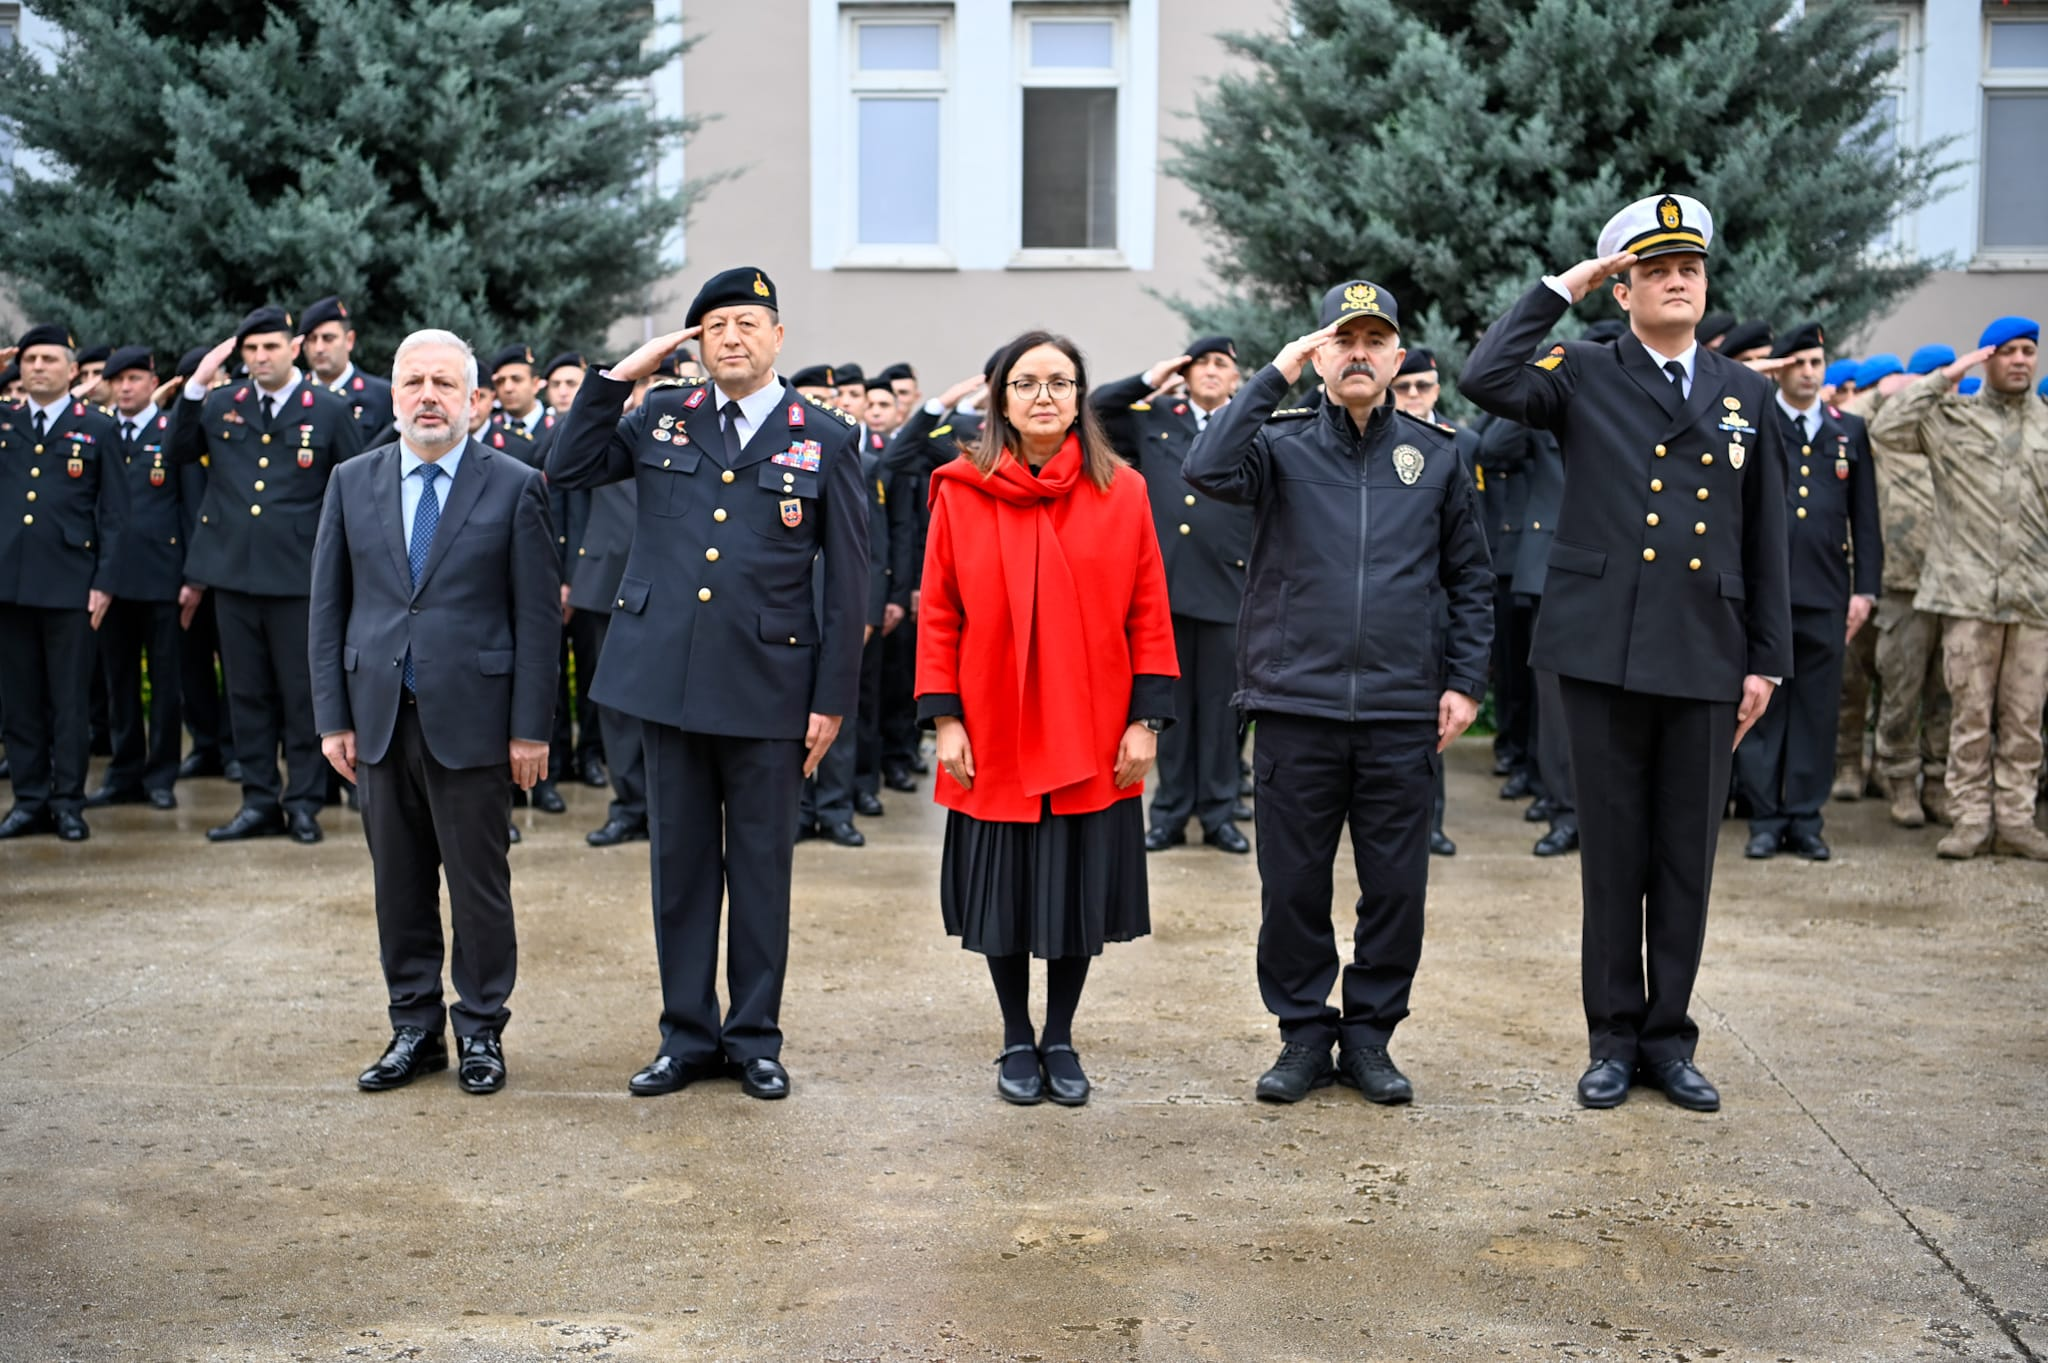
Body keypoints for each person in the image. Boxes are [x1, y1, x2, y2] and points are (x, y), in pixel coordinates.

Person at [1461, 194, 1792, 1113]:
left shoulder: (1747, 393)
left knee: (1686, 855)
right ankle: (1611, 1039)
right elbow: (1487, 378)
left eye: (1689, 267)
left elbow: (1765, 537)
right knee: (1613, 855)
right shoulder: (1581, 368)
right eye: (1654, 270)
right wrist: (1562, 287)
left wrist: (1764, 661)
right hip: (1602, 647)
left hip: (1705, 650)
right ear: (1623, 290)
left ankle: (1669, 1040)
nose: (1677, 280)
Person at [550, 266, 868, 1102]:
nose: (731, 336)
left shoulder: (825, 437)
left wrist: (831, 699)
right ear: (697, 341)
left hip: (771, 686)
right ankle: (686, 1036)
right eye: (715, 324)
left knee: (762, 868)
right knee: (681, 868)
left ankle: (754, 1037)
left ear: (778, 338)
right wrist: (624, 374)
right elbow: (569, 465)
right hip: (669, 681)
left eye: (748, 323)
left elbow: (852, 584)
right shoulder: (660, 415)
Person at [1185, 280, 1494, 1108]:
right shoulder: (1279, 448)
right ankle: (1302, 1034)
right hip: (1296, 704)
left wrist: (1464, 682)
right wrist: (1276, 371)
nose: (1359, 353)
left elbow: (1470, 579)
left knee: (1396, 886)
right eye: (1342, 339)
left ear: (1397, 356)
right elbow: (1206, 466)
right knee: (1292, 885)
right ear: (1320, 353)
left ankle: (1368, 1036)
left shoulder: (1437, 453)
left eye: (1374, 340)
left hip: (1400, 710)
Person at [916, 329, 1176, 1107]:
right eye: (1026, 382)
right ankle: (1013, 1036)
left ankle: (1059, 1034)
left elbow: (1149, 611)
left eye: (1059, 382)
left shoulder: (1121, 489)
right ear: (999, 397)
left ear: (1079, 398)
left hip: (1093, 726)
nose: (1043, 396)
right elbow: (939, 614)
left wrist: (1146, 721)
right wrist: (946, 720)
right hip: (991, 726)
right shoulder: (961, 489)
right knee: (1006, 895)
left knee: (1073, 893)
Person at [311, 329, 560, 1095]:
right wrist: (331, 718)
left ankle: (481, 1027)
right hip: (379, 715)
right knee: (400, 882)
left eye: (444, 384)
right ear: (392, 397)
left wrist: (530, 730)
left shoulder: (516, 484)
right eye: (414, 381)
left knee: (479, 885)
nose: (428, 395)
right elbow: (328, 606)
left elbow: (537, 622)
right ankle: (413, 1027)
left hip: (477, 722)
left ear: (474, 400)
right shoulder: (352, 481)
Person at [170, 306, 365, 844]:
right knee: (247, 695)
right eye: (251, 349)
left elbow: (354, 491)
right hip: (234, 575)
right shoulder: (219, 405)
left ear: (294, 347)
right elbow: (177, 454)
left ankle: (303, 803)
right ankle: (258, 801)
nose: (260, 358)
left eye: (270, 347)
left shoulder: (325, 410)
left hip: (300, 579)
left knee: (301, 696)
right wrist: (193, 389)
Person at [1871, 316, 2048, 860]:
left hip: (2033, 599)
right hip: (1966, 596)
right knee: (1967, 718)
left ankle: (2016, 819)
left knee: (2024, 721)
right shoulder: (1949, 419)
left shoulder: (2046, 425)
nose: (2019, 360)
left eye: (2028, 351)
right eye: (2007, 351)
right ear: (1986, 358)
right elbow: (1886, 427)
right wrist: (1948, 375)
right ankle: (1970, 819)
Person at [1091, 335, 1252, 856]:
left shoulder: (1252, 422)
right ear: (1184, 373)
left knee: (1223, 713)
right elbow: (1093, 412)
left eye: (1221, 364)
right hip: (1165, 590)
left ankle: (1220, 814)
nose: (1210, 370)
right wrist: (1148, 379)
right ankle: (1170, 813)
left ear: (1236, 378)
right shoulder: (1154, 415)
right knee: (1170, 711)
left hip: (1230, 587)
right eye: (1200, 362)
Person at [1733, 323, 1881, 862]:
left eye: (1817, 362)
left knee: (1817, 710)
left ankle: (1805, 818)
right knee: (1762, 708)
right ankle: (1765, 819)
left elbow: (1865, 518)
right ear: (1781, 368)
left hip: (1825, 594)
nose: (1809, 372)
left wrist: (1865, 589)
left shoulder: (1849, 430)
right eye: (1798, 362)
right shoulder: (1757, 420)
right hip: (1764, 594)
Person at [0, 324, 125, 842]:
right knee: (20, 699)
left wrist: (105, 581)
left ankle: (68, 802)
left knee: (69, 700)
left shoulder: (96, 428)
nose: (37, 367)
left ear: (72, 370)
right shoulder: (5, 424)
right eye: (29, 360)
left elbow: (116, 514)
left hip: (72, 584)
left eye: (49, 359)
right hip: (10, 583)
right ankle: (29, 800)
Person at [1388, 346, 1484, 858]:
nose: (1412, 396)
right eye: (1403, 388)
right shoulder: (1378, 439)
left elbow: (1473, 533)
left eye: (1422, 386)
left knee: (1435, 720)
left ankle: (1433, 823)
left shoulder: (1461, 442)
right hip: (1398, 599)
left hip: (1440, 600)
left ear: (1437, 388)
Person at [88, 346, 185, 811]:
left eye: (134, 378)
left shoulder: (171, 433)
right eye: (117, 380)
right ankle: (124, 771)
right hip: (110, 581)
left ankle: (161, 776)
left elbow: (191, 506)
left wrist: (193, 578)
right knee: (118, 679)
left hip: (163, 579)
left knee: (166, 683)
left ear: (152, 382)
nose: (125, 387)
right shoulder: (101, 434)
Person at [1867, 348, 1956, 827]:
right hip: (1903, 582)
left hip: (1958, 584)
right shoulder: (1888, 429)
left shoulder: (1963, 428)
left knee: (1947, 692)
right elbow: (1861, 416)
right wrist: (1886, 390)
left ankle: (1938, 783)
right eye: (1924, 378)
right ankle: (1900, 780)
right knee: (1901, 686)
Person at [299, 296, 396, 448]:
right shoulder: (295, 394)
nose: (319, 348)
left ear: (349, 340)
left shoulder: (383, 396)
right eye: (311, 339)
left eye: (328, 338)